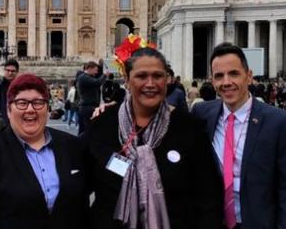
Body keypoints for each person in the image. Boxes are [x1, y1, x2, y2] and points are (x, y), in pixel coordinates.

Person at [84, 47, 223, 229]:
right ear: (126, 80)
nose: (150, 83)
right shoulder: (102, 126)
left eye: (157, 76)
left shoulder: (190, 128)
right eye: (141, 76)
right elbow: (78, 187)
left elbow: (208, 197)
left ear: (167, 80)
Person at [192, 42, 286, 229]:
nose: (226, 82)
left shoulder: (281, 122)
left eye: (234, 73)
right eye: (219, 76)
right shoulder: (201, 114)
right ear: (212, 81)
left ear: (249, 76)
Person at [0, 74, 89, 229]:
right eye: (21, 103)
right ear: (8, 109)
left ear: (48, 108)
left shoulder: (71, 145)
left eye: (38, 102)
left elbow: (82, 206)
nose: (30, 109)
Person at [77, 61, 107, 134]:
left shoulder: (87, 77)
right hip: (87, 107)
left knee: (87, 129)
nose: (96, 72)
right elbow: (97, 82)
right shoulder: (84, 77)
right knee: (87, 130)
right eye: (95, 70)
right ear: (90, 68)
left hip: (89, 106)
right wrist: (105, 75)